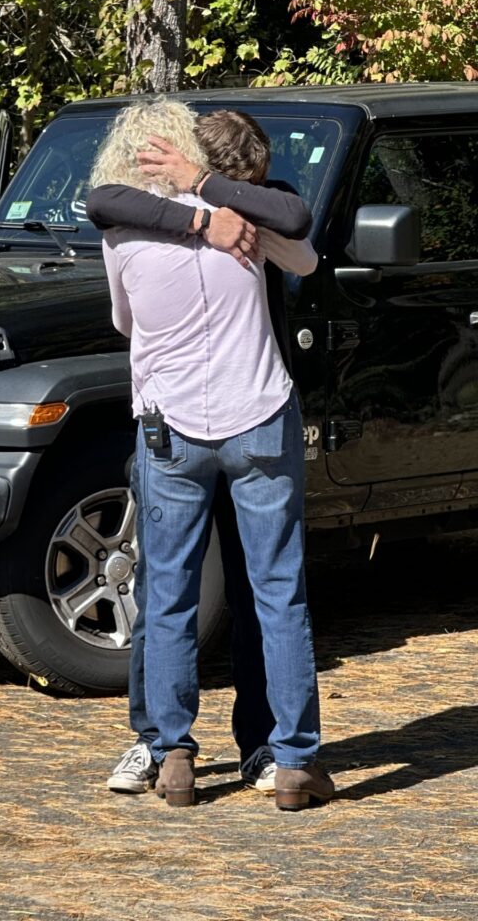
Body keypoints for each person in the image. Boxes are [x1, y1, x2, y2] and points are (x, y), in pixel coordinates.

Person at [87, 100, 333, 811]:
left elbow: (122, 321)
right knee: (278, 589)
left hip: (170, 426)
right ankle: (293, 760)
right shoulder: (248, 231)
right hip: (257, 414)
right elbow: (307, 254)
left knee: (167, 592)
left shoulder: (123, 237)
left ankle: (172, 754)